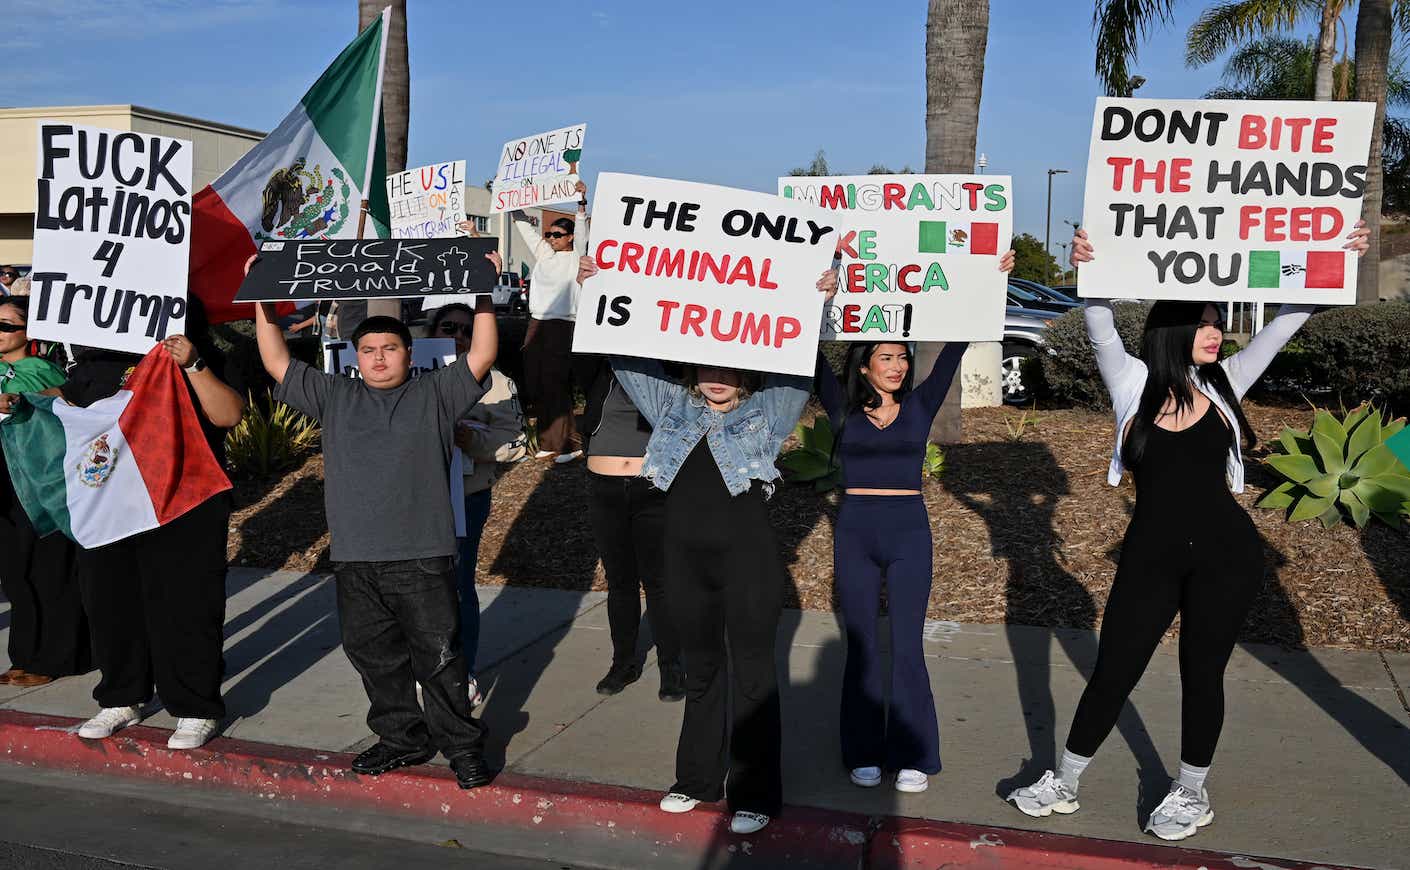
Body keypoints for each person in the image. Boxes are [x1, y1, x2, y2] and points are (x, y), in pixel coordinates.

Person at [1007, 223, 1370, 842]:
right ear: (1173, 328)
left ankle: (1190, 791)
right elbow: (1098, 323)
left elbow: (1290, 315)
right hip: (1150, 554)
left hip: (1227, 556)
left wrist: (1340, 253)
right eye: (1203, 322)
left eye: (1218, 321)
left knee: (1202, 673)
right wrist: (1089, 268)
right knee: (1116, 668)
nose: (1215, 332)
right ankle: (1064, 779)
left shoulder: (1227, 379)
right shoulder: (1133, 383)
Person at [586, 255, 834, 836]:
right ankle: (697, 781)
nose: (716, 376)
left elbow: (800, 363)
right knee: (701, 672)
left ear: (746, 372)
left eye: (728, 367)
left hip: (748, 565)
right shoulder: (673, 408)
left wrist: (819, 303)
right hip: (684, 564)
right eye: (706, 366)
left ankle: (755, 794)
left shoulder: (765, 414)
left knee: (752, 676)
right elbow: (625, 355)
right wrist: (596, 288)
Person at [251, 253, 500, 790]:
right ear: (354, 357)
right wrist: (262, 293)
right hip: (357, 557)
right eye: (368, 351)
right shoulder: (335, 395)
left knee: (439, 658)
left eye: (389, 349)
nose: (379, 358)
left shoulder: (436, 393)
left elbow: (481, 353)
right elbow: (274, 360)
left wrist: (484, 289)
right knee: (375, 657)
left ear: (409, 354)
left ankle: (461, 746)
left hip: (422, 554)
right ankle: (401, 739)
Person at [817, 251, 1014, 795]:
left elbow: (956, 347)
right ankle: (862, 750)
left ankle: (913, 754)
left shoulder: (923, 403)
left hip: (909, 532)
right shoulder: (842, 409)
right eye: (886, 357)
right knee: (860, 645)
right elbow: (809, 352)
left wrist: (992, 277)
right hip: (855, 531)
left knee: (906, 644)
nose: (899, 364)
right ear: (863, 365)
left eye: (902, 356)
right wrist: (824, 296)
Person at [59, 299, 246, 751]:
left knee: (186, 607)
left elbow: (228, 415)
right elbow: (73, 420)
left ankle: (195, 706)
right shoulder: (93, 365)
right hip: (109, 504)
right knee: (109, 603)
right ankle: (122, 696)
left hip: (186, 503)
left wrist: (194, 364)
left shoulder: (207, 358)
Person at [426, 303, 528, 696]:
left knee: (457, 587)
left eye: (467, 330)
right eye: (448, 326)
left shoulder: (497, 382)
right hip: (411, 501)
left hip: (465, 499)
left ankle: (461, 671)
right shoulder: (410, 377)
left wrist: (473, 439)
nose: (458, 335)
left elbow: (515, 445)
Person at [579, 354, 683, 701]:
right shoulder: (601, 366)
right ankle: (622, 663)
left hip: (653, 487)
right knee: (620, 580)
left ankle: (672, 666)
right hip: (604, 486)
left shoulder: (670, 369)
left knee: (660, 581)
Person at [0, 297, 89, 687]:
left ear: (28, 332)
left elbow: (64, 422)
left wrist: (35, 401)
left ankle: (56, 656)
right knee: (15, 576)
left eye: (6, 325)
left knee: (51, 573)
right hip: (3, 487)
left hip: (40, 486)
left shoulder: (42, 372)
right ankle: (23, 654)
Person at [514, 182, 588, 463]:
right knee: (535, 382)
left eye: (558, 234)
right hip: (537, 323)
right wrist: (510, 204)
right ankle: (547, 441)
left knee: (555, 382)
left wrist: (581, 203)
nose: (552, 238)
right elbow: (524, 228)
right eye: (549, 234)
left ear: (569, 238)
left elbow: (581, 230)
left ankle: (570, 445)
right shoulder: (545, 255)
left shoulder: (577, 257)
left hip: (562, 324)